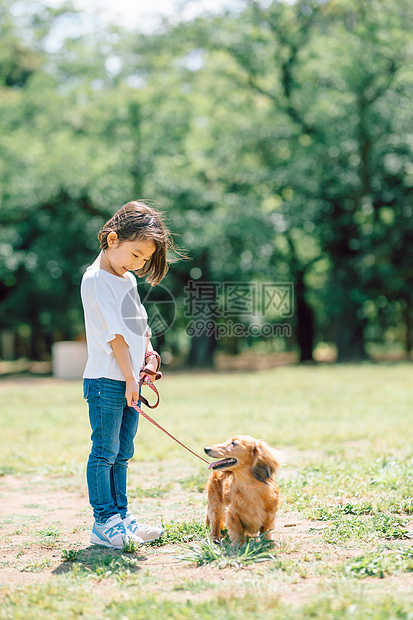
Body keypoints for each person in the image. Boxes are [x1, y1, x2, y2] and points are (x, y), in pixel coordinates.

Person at [81, 200, 174, 549]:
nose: (137, 264)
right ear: (112, 238)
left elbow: (139, 326)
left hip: (129, 378)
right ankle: (104, 521)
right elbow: (116, 337)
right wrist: (130, 378)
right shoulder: (95, 280)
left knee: (123, 452)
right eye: (135, 254)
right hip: (108, 380)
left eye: (144, 260)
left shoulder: (128, 280)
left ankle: (122, 517)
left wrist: (149, 355)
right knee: (104, 451)